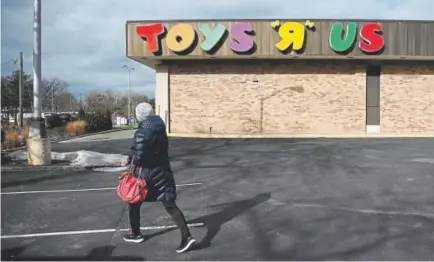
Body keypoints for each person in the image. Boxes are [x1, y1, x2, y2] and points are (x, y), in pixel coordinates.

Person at [121, 102, 196, 253]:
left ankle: (136, 233)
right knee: (169, 203)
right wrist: (134, 156)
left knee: (134, 200)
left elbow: (141, 157)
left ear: (139, 116)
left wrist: (130, 160)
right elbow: (152, 151)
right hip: (163, 171)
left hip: (148, 176)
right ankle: (186, 236)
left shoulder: (142, 132)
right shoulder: (159, 128)